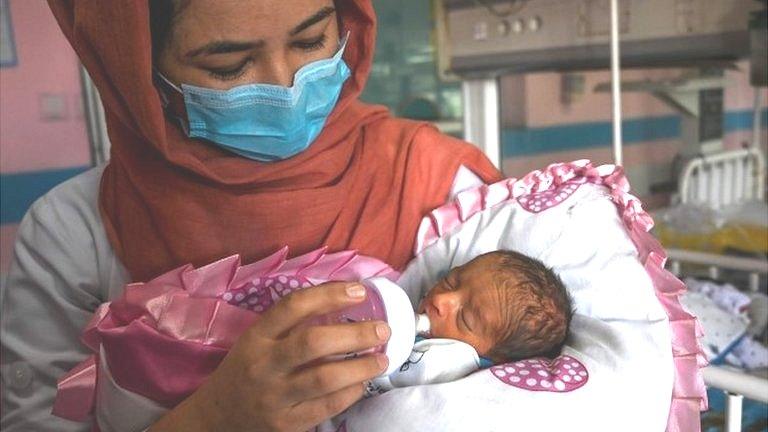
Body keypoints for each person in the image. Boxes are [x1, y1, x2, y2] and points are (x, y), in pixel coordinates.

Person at [0, 1, 500, 431]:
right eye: (228, 66)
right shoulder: (73, 234)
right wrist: (214, 416)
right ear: (135, 66)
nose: (285, 86)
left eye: (312, 40)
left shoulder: (445, 185)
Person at [368, 250, 573, 394]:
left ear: (495, 359)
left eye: (465, 319)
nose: (441, 300)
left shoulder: (449, 368)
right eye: (450, 281)